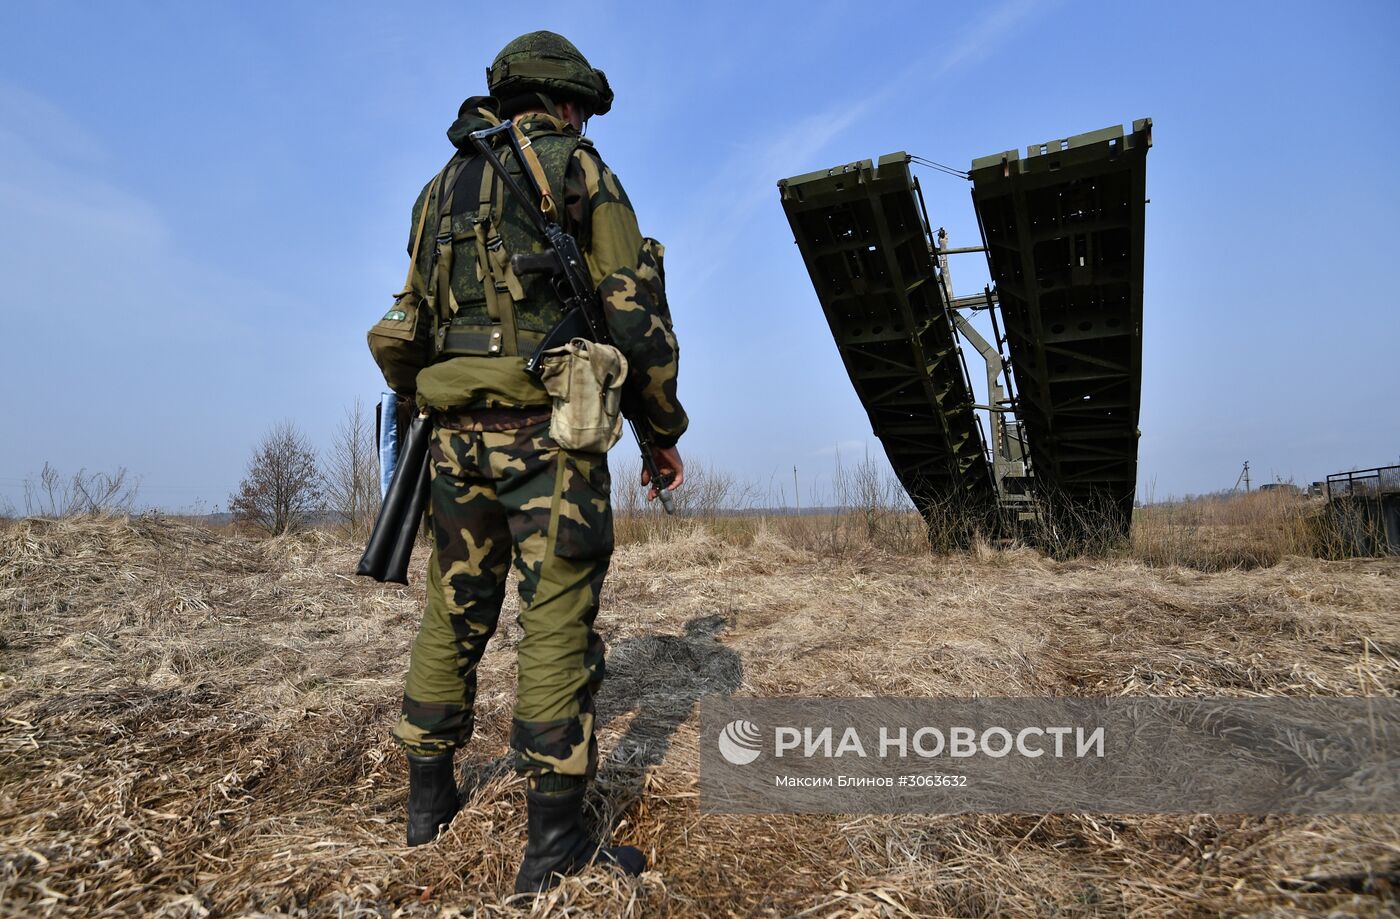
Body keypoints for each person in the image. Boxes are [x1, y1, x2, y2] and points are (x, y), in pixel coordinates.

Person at [365, 30, 687, 893]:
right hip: (550, 433)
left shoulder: (438, 189)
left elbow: (414, 315)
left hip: (452, 435)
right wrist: (663, 431)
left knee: (453, 608)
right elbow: (633, 312)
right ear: (567, 101)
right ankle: (554, 847)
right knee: (555, 615)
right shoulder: (578, 169)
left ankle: (426, 806)